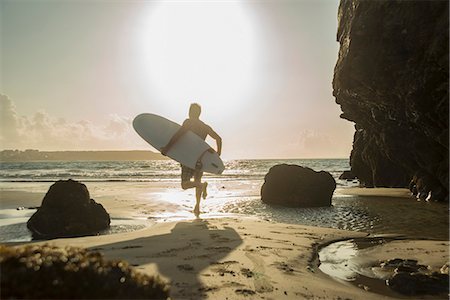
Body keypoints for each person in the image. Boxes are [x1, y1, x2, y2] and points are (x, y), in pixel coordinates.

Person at [161, 103, 222, 216]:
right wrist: (218, 154)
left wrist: (167, 148)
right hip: (201, 158)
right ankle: (197, 207)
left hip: (188, 157)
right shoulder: (205, 126)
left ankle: (201, 186)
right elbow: (219, 138)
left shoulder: (188, 122)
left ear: (190, 112)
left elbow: (178, 135)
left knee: (185, 184)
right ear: (199, 113)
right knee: (197, 180)